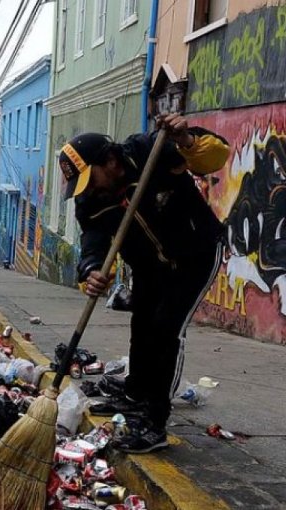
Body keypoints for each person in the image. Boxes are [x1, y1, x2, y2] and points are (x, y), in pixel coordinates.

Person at [59, 113, 229, 453]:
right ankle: (134, 396)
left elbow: (215, 157)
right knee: (143, 322)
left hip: (195, 254)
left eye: (90, 179)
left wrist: (186, 140)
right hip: (150, 266)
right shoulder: (90, 201)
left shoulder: (150, 150)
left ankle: (155, 421)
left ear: (110, 160)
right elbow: (93, 238)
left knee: (167, 327)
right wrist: (91, 269)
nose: (89, 189)